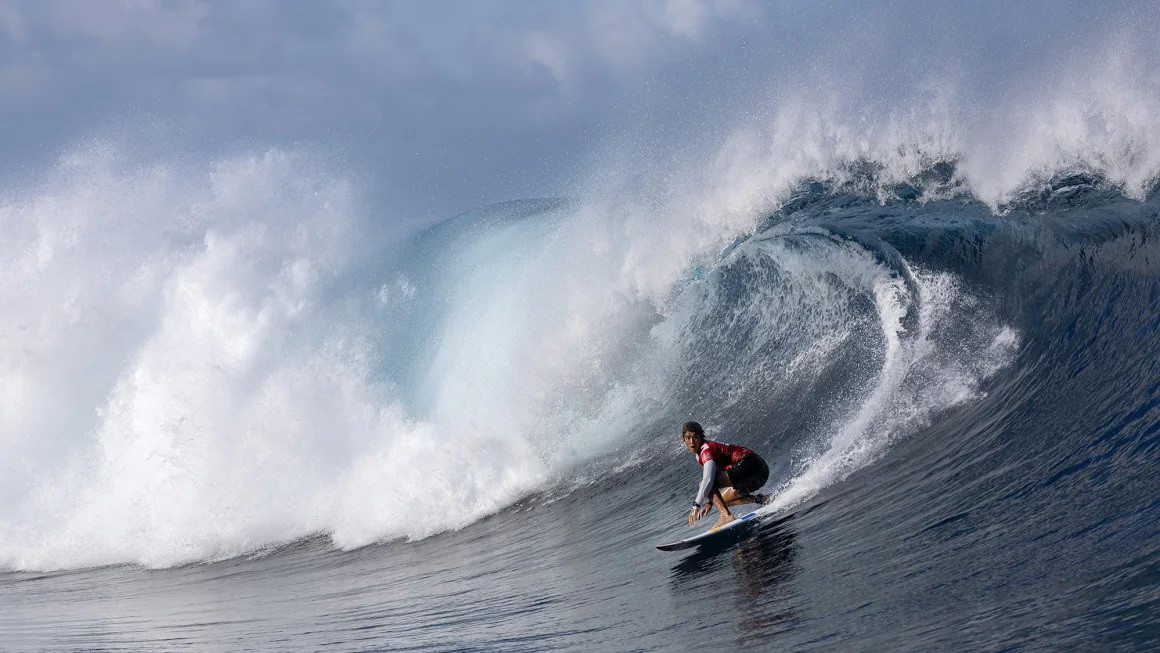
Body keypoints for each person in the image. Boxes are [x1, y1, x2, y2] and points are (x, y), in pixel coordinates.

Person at [682, 421, 770, 529]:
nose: (691, 442)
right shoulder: (700, 454)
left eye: (695, 437)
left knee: (704, 483)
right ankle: (763, 499)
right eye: (687, 438)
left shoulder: (706, 449)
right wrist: (710, 503)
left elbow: (708, 480)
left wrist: (696, 505)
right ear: (684, 440)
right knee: (724, 501)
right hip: (761, 473)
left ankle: (726, 516)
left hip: (750, 465)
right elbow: (712, 481)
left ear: (701, 437)